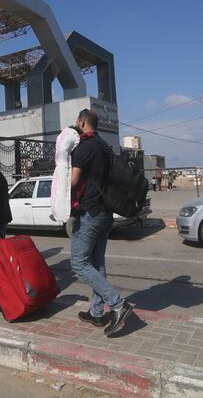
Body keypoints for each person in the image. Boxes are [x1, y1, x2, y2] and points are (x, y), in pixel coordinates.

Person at [70, 109, 133, 336]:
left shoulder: (84, 147)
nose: (75, 124)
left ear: (83, 122)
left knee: (78, 262)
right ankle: (97, 313)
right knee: (97, 263)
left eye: (77, 121)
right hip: (106, 212)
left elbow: (74, 180)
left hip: (90, 212)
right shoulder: (105, 147)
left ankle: (117, 304)